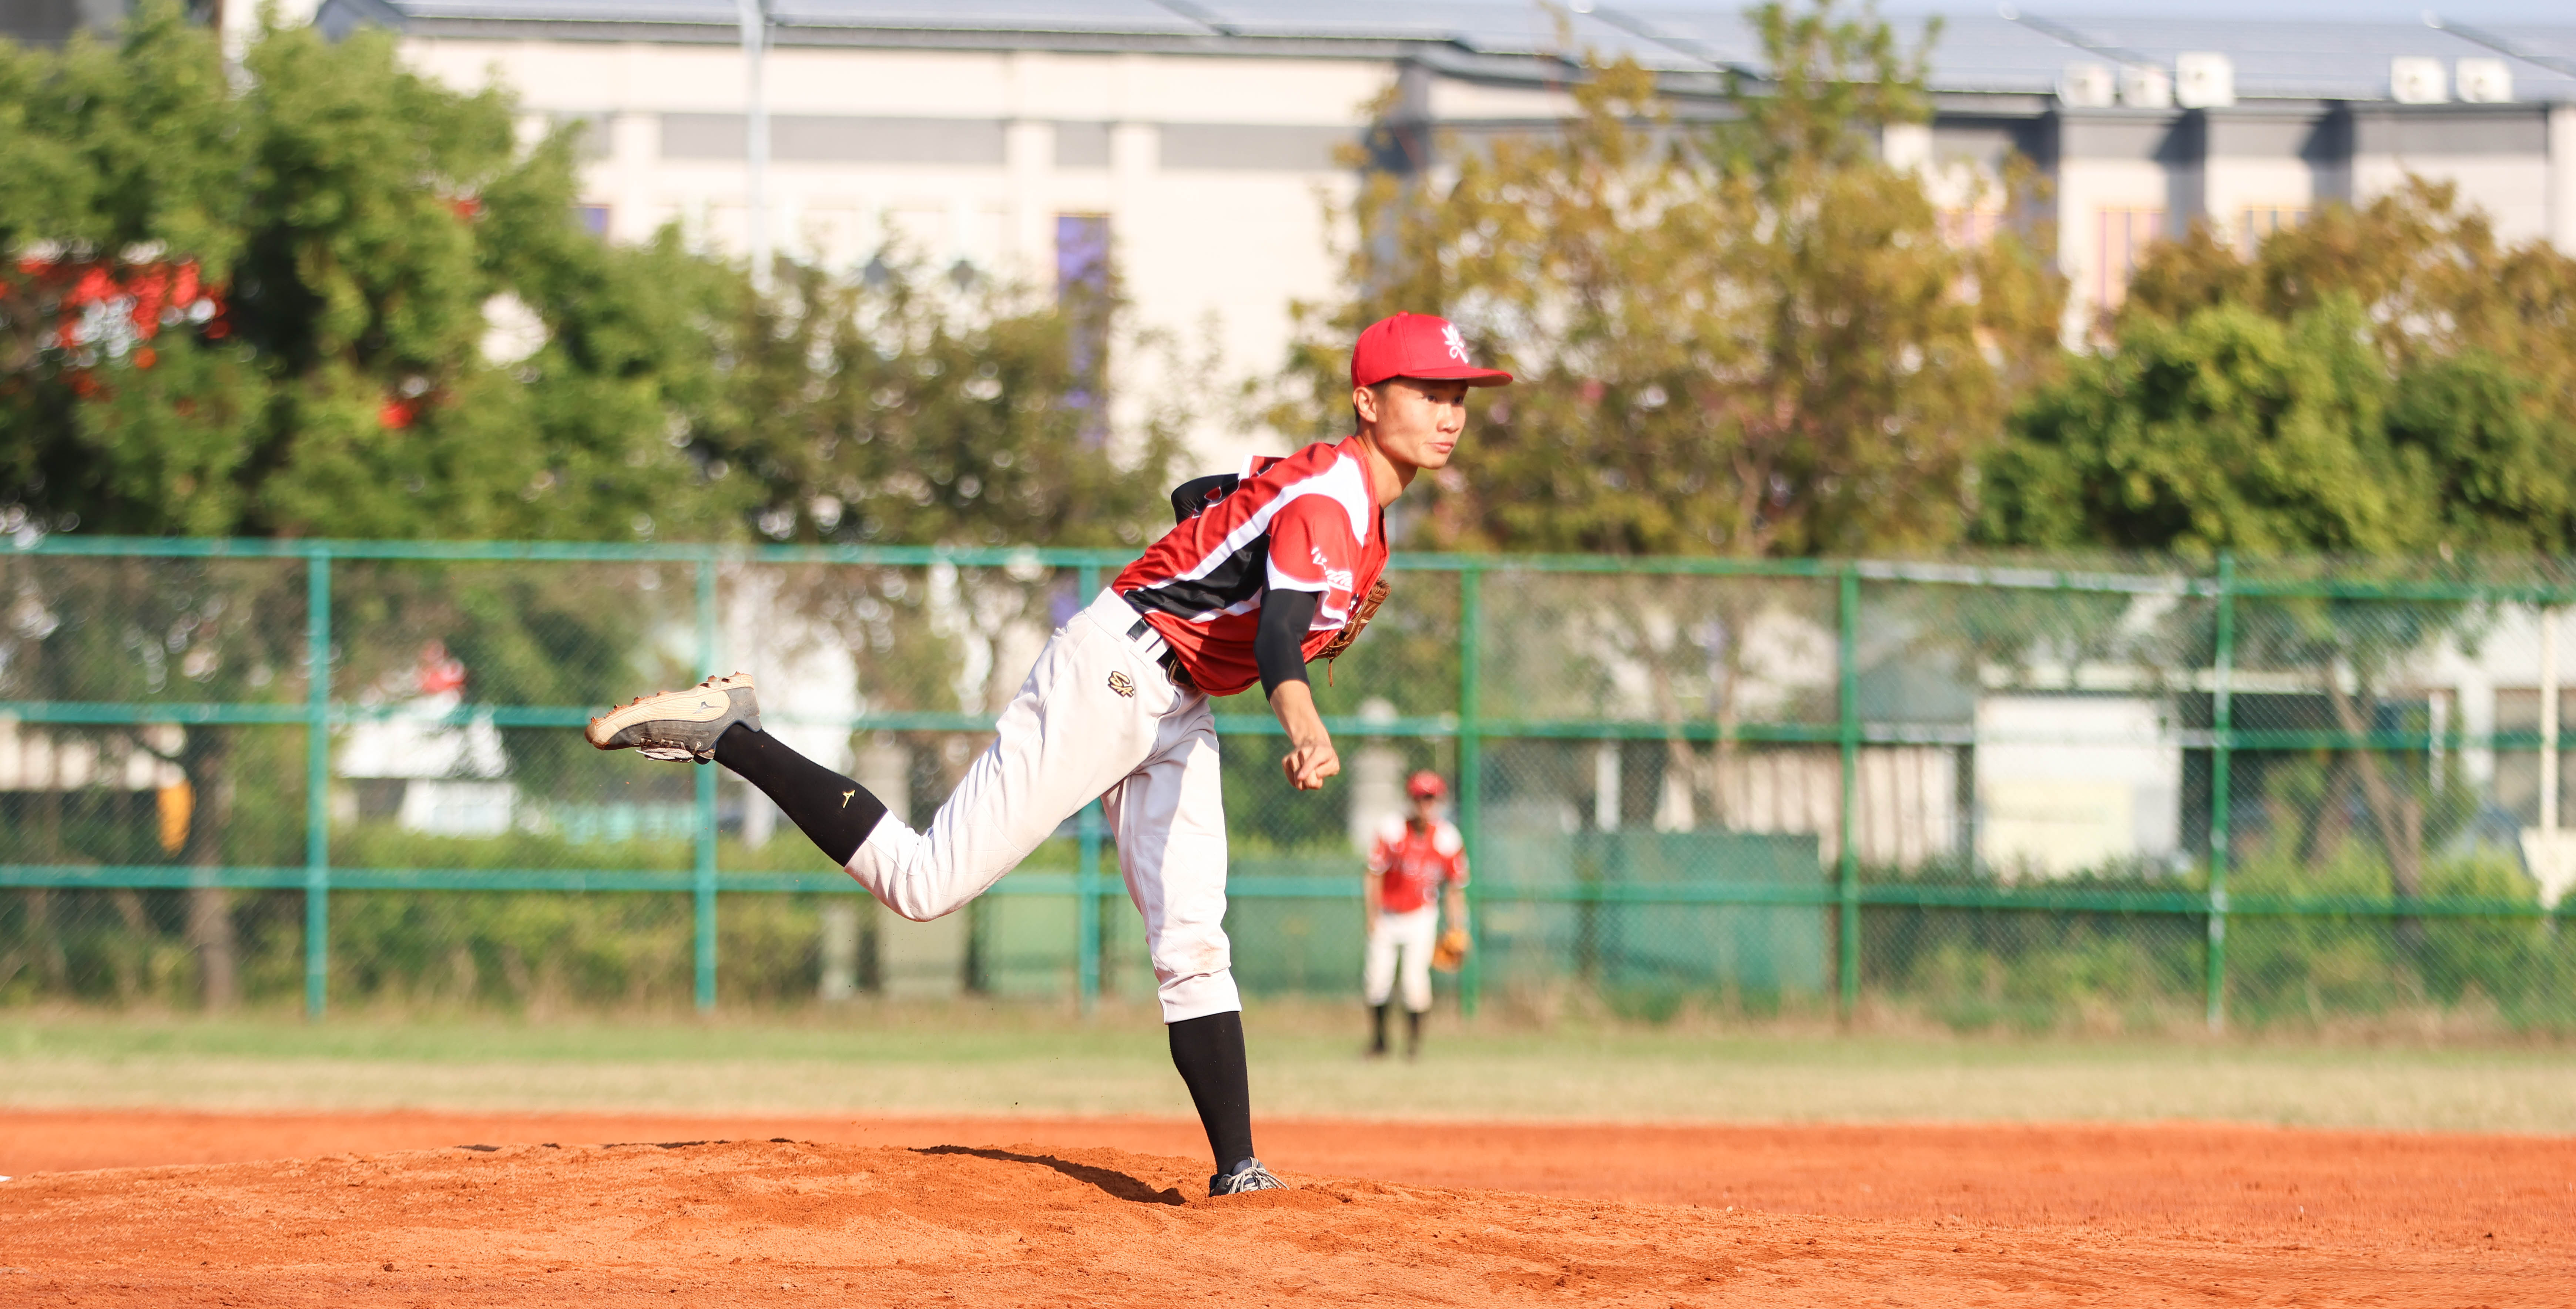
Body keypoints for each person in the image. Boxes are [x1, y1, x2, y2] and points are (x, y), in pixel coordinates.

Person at [583, 311, 1510, 1196]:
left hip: (1177, 701)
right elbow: (1274, 639)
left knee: (1193, 937)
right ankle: (733, 730)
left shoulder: (1341, 499)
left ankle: (1240, 1170)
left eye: (1459, 393)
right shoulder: (1333, 500)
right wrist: (1303, 717)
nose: (1448, 411)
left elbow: (1203, 500)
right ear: (1366, 399)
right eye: (1425, 388)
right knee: (924, 884)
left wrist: (1230, 554)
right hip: (1114, 672)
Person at [1363, 770, 1470, 1058]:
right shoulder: (1393, 830)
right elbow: (1373, 875)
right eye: (1420, 798)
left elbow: (1455, 888)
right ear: (1410, 800)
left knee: (1415, 983)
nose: (1425, 804)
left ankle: (1413, 1047)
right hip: (1388, 914)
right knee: (1377, 981)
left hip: (1422, 916)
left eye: (1431, 798)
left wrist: (1458, 927)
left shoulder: (1448, 838)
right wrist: (1371, 916)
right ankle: (1380, 1043)